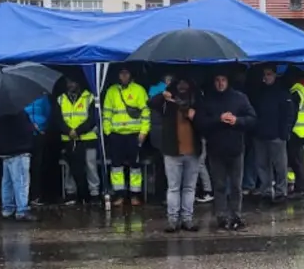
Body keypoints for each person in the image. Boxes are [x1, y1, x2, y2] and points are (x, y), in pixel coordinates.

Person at [195, 70, 257, 231]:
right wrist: (219, 120)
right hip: (215, 149)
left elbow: (252, 119)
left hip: (236, 148)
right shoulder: (208, 100)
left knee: (236, 186)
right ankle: (221, 216)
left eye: (223, 80)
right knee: (219, 185)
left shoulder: (240, 98)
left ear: (228, 81)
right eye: (217, 80)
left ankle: (236, 215)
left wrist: (237, 120)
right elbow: (200, 123)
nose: (220, 83)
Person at [150, 77, 202, 232]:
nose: (182, 86)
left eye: (185, 83)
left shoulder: (197, 101)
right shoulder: (167, 102)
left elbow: (204, 122)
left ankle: (187, 219)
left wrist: (194, 115)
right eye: (179, 83)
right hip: (172, 151)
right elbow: (150, 103)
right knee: (174, 188)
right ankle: (173, 220)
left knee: (189, 188)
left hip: (193, 151)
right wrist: (162, 95)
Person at [102, 67, 150, 206]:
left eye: (126, 73)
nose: (123, 76)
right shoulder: (111, 91)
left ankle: (135, 195)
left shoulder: (139, 90)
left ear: (130, 74)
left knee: (135, 166)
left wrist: (144, 131)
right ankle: (119, 195)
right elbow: (106, 113)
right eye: (121, 73)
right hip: (116, 135)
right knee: (116, 166)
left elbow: (146, 112)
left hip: (134, 134)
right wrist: (108, 131)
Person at [251, 65, 296, 203]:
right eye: (264, 74)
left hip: (277, 135)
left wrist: (285, 132)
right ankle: (266, 191)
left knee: (280, 166)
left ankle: (281, 191)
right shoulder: (259, 92)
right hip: (260, 135)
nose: (266, 77)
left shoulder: (282, 92)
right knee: (262, 165)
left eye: (269, 74)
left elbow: (290, 114)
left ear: (275, 75)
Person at [56, 78, 100, 205]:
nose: (70, 84)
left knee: (91, 167)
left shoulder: (89, 98)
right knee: (69, 167)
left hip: (87, 138)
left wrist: (78, 131)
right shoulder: (60, 99)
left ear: (79, 83)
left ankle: (94, 193)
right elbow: (58, 119)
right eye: (68, 82)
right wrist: (68, 131)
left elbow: (92, 119)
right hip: (68, 138)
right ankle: (71, 193)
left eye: (73, 82)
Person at [0, 109, 37, 221]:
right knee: (21, 182)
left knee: (7, 183)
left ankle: (7, 209)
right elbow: (25, 129)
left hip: (4, 151)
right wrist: (32, 127)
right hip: (19, 151)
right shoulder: (19, 113)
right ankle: (22, 210)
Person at [287, 69, 304, 197]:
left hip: (295, 131)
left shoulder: (296, 92)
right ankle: (300, 186)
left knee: (295, 162)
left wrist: (288, 129)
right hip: (303, 130)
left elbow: (293, 114)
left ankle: (299, 189)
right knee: (299, 161)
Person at [24, 94, 52, 205]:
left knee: (37, 166)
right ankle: (24, 196)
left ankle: (35, 195)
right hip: (25, 135)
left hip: (39, 134)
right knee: (24, 167)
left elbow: (48, 113)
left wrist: (42, 127)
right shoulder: (19, 97)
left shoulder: (42, 97)